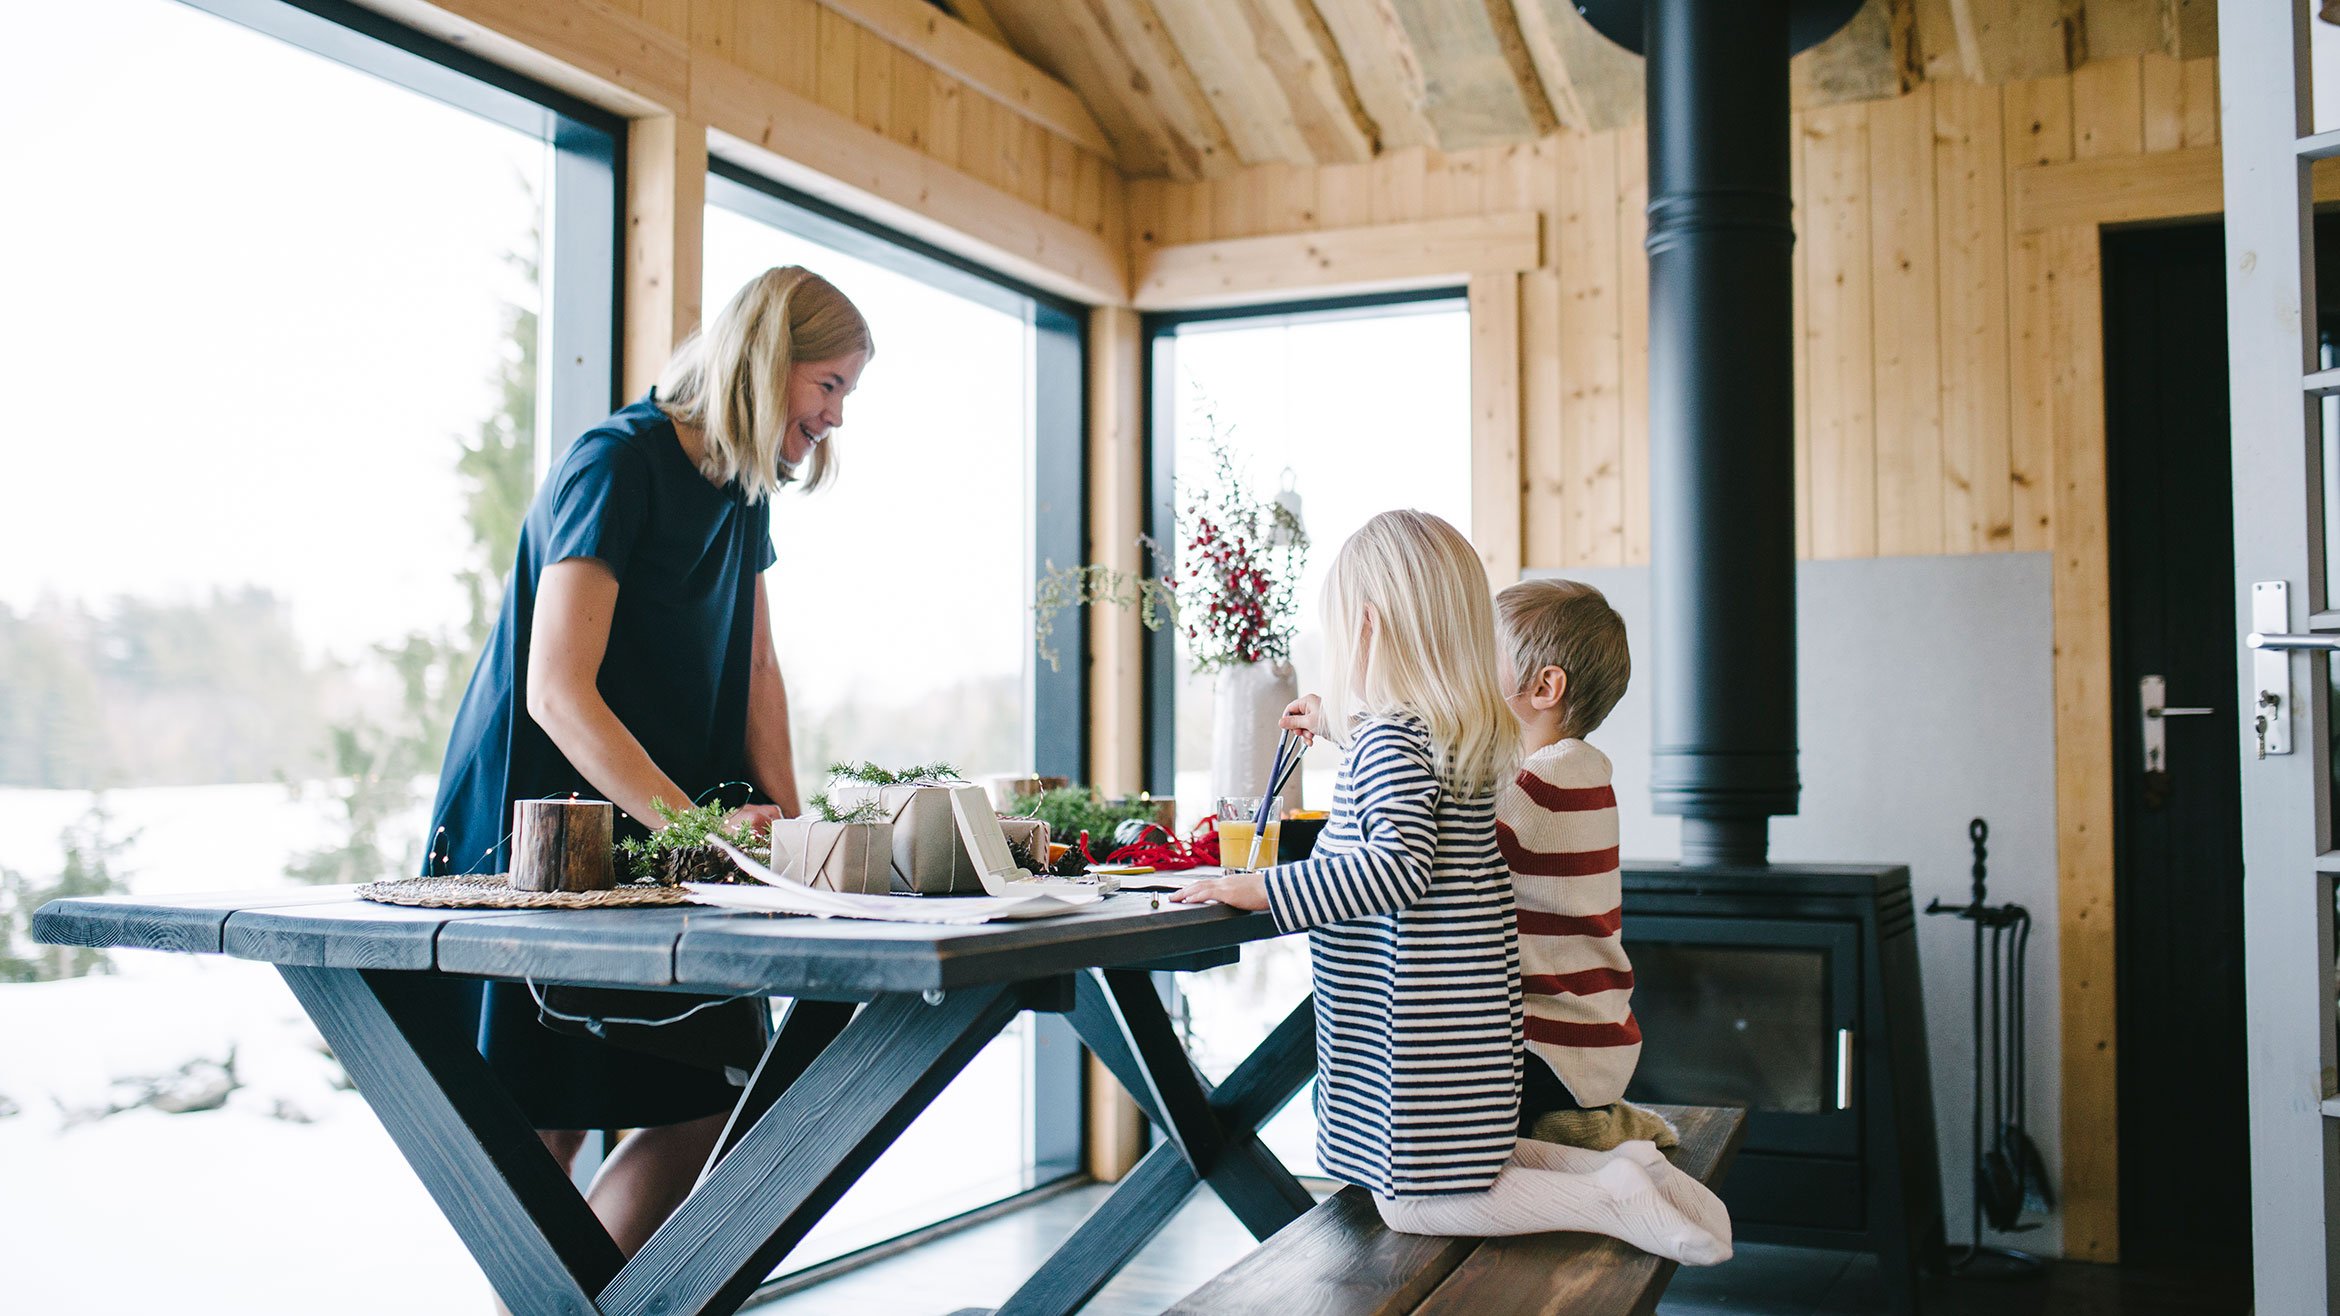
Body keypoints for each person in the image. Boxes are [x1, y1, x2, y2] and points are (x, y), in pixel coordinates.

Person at [425, 265, 871, 1258]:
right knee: (549, 1123)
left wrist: (792, 833)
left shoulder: (743, 490)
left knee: (710, 1102)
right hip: (539, 846)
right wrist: (702, 827)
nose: (836, 415)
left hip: (662, 842)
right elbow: (557, 690)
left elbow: (756, 667)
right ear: (769, 357)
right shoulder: (614, 464)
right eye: (829, 384)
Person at [1171, 510, 1726, 1263]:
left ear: (1364, 630)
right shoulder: (1474, 751)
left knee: (1412, 1204)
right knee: (1468, 1167)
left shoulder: (1462, 758)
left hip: (1441, 1027)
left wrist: (1262, 890)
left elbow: (1402, 862)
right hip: (1476, 1017)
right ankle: (1621, 1169)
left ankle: (1607, 1196)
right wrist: (1347, 730)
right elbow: (1433, 795)